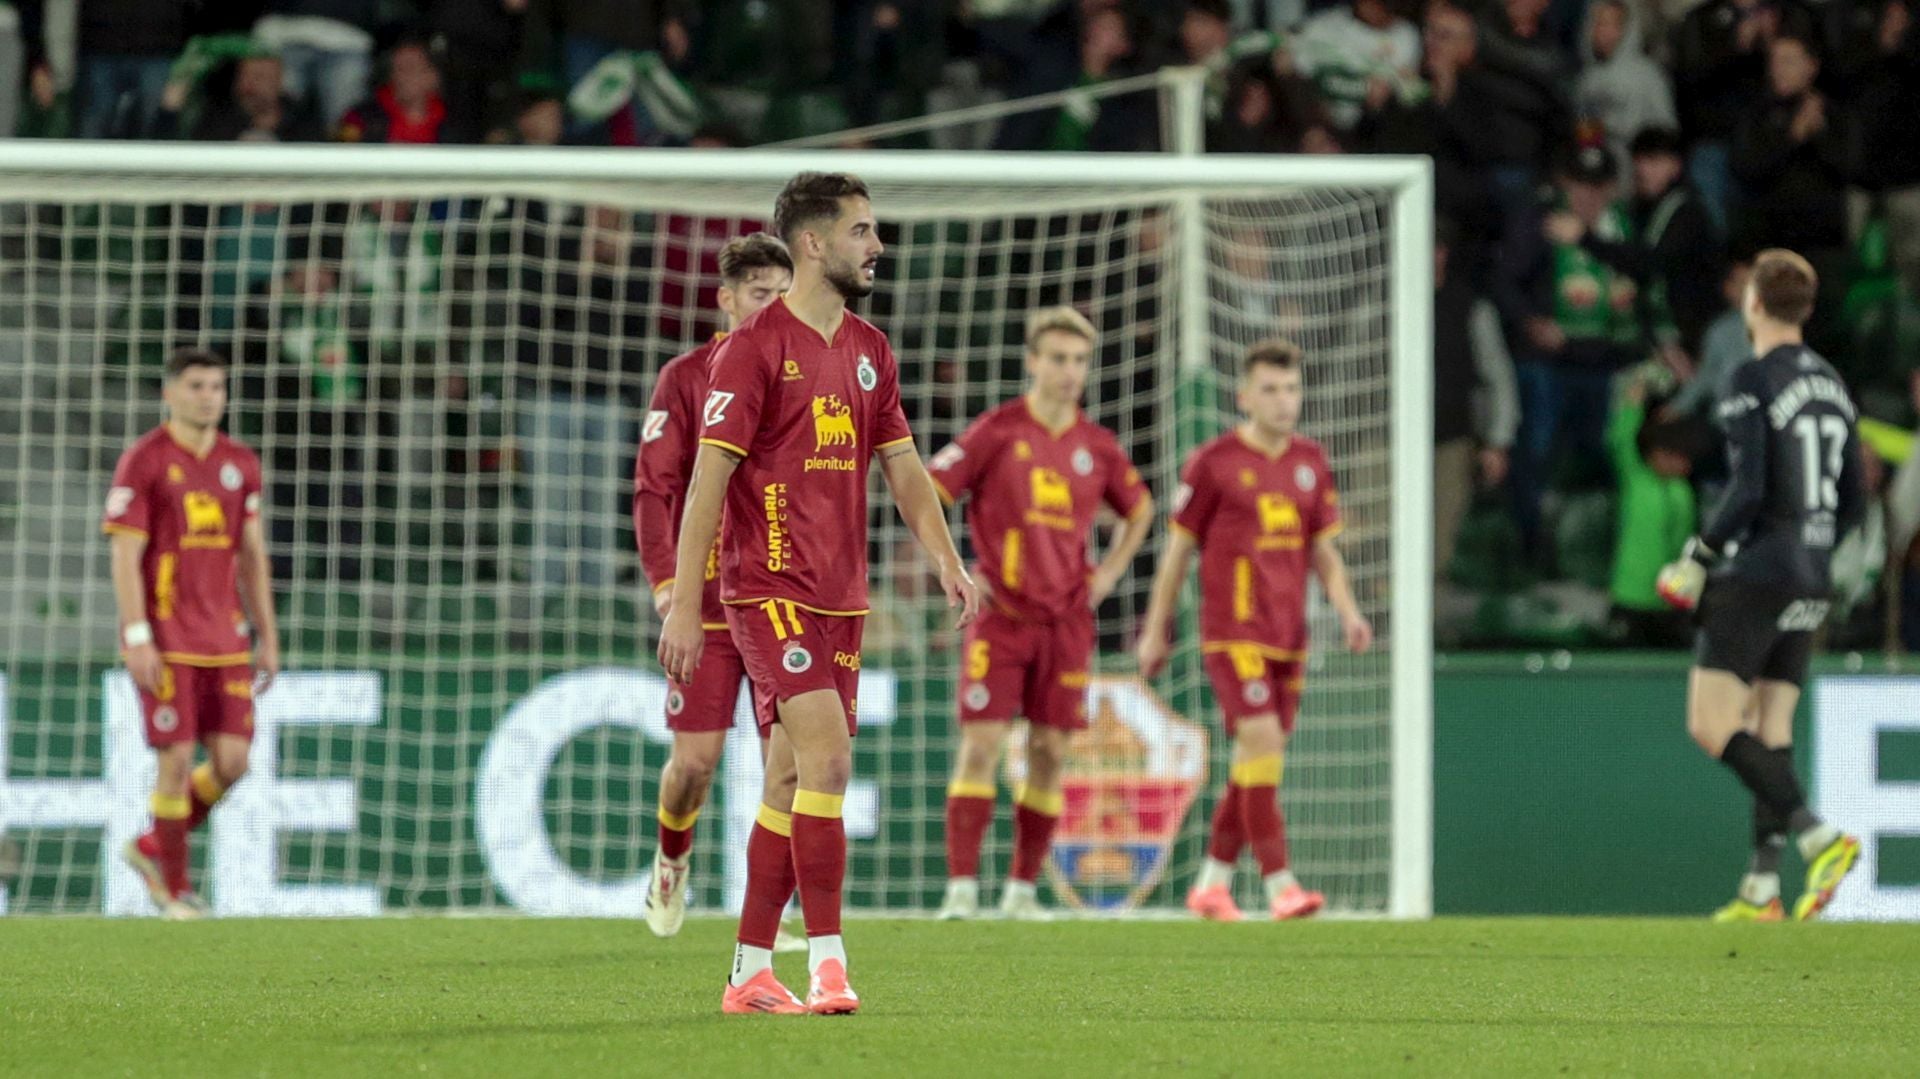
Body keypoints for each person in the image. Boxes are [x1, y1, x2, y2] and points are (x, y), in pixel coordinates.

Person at [658, 172, 979, 1015]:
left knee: (787, 781)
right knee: (831, 756)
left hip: (843, 596)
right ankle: (829, 962)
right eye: (863, 231)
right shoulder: (755, 345)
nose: (877, 246)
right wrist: (688, 603)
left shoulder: (871, 349)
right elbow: (704, 482)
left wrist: (945, 556)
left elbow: (904, 467)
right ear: (813, 243)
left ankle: (747, 972)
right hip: (766, 588)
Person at [1654, 248, 1865, 922]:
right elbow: (1855, 499)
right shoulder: (1834, 383)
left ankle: (1819, 836)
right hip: (1812, 572)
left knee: (1710, 723)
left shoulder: (1749, 376)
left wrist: (1699, 554)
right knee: (1768, 729)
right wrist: (1813, 551)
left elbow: (1747, 487)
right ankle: (1761, 888)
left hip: (1760, 571)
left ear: (1752, 302)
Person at [927, 306, 1154, 922]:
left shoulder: (1097, 448)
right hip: (999, 615)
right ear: (1032, 361)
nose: (1068, 372)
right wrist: (954, 563)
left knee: (1051, 751)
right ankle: (961, 890)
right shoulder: (996, 431)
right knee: (982, 745)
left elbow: (1141, 510)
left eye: (1079, 360)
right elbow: (930, 489)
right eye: (1057, 358)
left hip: (1067, 622)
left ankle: (1023, 891)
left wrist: (1108, 572)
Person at [1135, 339, 1373, 922]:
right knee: (1262, 744)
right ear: (1244, 396)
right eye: (1270, 389)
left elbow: (1325, 553)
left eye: (1291, 389)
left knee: (1255, 761)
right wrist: (1154, 627)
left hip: (1290, 635)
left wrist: (1347, 609)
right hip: (1232, 632)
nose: (1283, 400)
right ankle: (1280, 883)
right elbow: (1176, 553)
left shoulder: (1311, 462)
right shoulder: (1213, 462)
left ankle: (1212, 883)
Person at [633, 232, 801, 950]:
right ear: (726, 300)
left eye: (780, 293)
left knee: (790, 771)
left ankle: (776, 912)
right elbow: (654, 487)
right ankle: (672, 858)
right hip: (705, 606)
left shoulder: (807, 373)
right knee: (694, 767)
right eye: (758, 293)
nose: (772, 306)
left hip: (781, 600)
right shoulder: (686, 377)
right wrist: (668, 584)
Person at [101, 349, 281, 919]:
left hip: (225, 639)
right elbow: (124, 556)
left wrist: (268, 636)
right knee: (174, 760)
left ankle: (153, 845)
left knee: (233, 763)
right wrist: (136, 635)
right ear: (170, 393)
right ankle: (175, 892)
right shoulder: (145, 461)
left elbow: (252, 556)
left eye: (217, 387)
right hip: (168, 636)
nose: (209, 396)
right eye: (197, 386)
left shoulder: (240, 463)